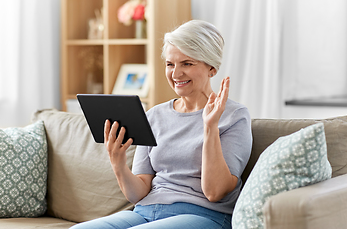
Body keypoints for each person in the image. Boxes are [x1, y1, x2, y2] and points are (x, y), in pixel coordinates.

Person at [70, 20, 252, 229]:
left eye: (187, 64)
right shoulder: (155, 115)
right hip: (146, 212)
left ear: (211, 68)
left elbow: (214, 192)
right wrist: (118, 163)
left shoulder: (234, 116)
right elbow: (138, 193)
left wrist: (210, 127)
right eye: (170, 64)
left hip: (203, 216)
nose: (175, 74)